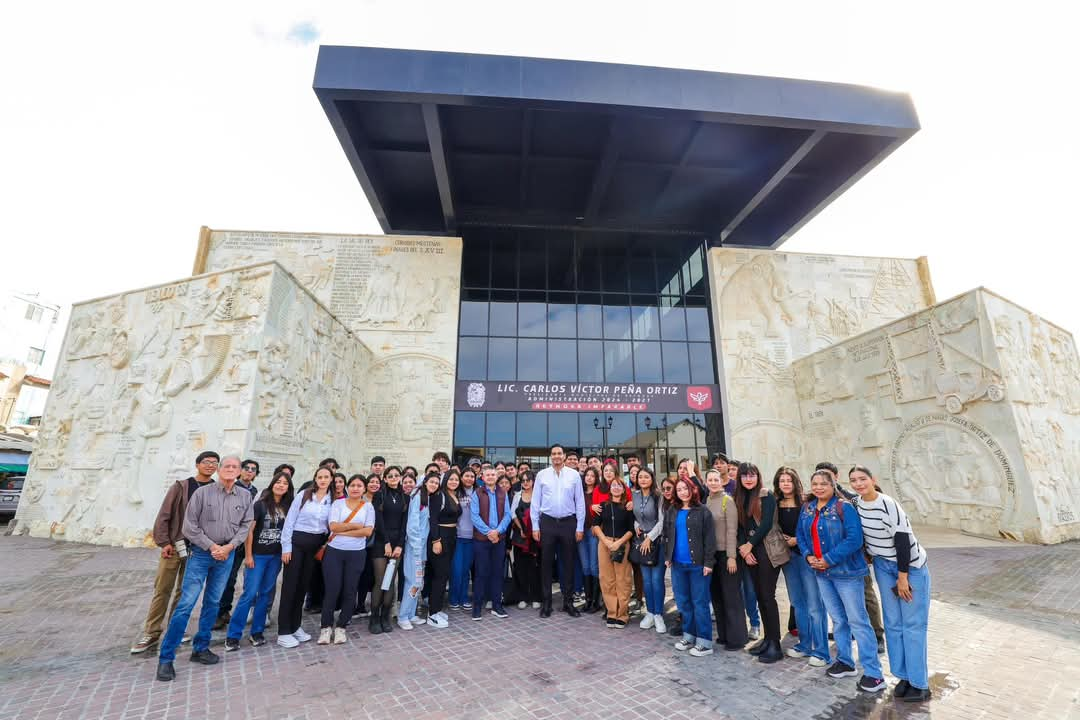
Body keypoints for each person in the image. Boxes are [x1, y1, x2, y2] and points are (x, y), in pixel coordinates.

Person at [156, 456, 254, 682]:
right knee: (186, 604)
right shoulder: (202, 493)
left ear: (239, 471)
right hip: (201, 554)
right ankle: (166, 659)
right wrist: (212, 547)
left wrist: (228, 547)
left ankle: (200, 648)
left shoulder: (245, 496)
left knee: (213, 603)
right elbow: (189, 527)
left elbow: (245, 525)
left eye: (234, 467)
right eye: (226, 466)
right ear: (219, 470)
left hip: (226, 556)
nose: (230, 469)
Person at [797, 470, 885, 693]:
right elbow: (801, 535)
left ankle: (874, 673)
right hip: (821, 574)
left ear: (833, 484)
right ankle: (845, 661)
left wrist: (828, 559)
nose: (818, 488)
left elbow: (855, 539)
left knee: (858, 621)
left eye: (823, 484)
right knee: (837, 620)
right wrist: (808, 556)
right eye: (814, 484)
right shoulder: (807, 508)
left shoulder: (844, 507)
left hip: (847, 573)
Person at [849, 466, 932, 702]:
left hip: (910, 568)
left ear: (873, 479)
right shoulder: (856, 504)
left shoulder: (888, 504)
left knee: (913, 625)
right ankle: (903, 676)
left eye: (863, 479)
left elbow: (903, 540)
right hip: (883, 567)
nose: (858, 484)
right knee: (894, 624)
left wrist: (903, 577)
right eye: (853, 480)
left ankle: (920, 683)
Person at [131, 451, 218, 654]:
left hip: (198, 549)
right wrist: (164, 542)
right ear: (197, 464)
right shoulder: (181, 486)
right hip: (175, 546)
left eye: (215, 463)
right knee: (162, 590)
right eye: (206, 462)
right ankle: (151, 633)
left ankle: (174, 629)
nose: (210, 465)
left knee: (184, 592)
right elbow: (165, 514)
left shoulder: (216, 489)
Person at [818, 461, 886, 652]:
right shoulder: (818, 500)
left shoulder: (851, 499)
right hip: (832, 560)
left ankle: (877, 635)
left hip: (856, 558)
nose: (823, 481)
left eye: (828, 476)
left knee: (866, 594)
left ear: (836, 477)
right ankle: (846, 630)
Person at [224, 470, 293, 650]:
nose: (281, 485)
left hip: (275, 556)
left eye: (285, 483)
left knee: (265, 594)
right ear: (273, 483)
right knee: (249, 593)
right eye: (278, 482)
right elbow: (250, 531)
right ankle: (233, 635)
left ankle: (257, 632)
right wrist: (248, 555)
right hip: (258, 556)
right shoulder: (260, 505)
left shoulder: (289, 506)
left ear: (288, 487)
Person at [774, 466, 829, 666]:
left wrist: (798, 540)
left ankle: (822, 650)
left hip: (807, 557)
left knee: (815, 604)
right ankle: (805, 644)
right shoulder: (775, 503)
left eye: (789, 480)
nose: (785, 484)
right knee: (797, 602)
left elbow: (817, 528)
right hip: (788, 559)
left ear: (795, 481)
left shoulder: (808, 502)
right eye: (782, 480)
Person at [735, 461, 787, 664]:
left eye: (752, 475)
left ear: (758, 476)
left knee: (767, 596)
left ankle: (776, 645)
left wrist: (749, 544)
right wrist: (744, 549)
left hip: (766, 551)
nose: (749, 479)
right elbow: (738, 526)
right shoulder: (738, 498)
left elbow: (766, 523)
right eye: (745, 475)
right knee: (759, 595)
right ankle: (767, 639)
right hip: (750, 553)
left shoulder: (766, 495)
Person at [276, 467, 333, 648]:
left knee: (302, 587)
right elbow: (290, 521)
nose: (323, 480)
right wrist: (286, 547)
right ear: (315, 478)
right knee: (290, 588)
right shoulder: (304, 496)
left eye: (326, 477)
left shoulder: (333, 500)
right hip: (297, 544)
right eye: (319, 477)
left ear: (331, 479)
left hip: (314, 547)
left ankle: (295, 626)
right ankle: (283, 631)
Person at [319, 475, 375, 644]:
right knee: (332, 590)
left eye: (359, 485)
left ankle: (342, 626)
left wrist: (344, 530)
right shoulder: (338, 504)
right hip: (334, 552)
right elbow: (333, 526)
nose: (355, 488)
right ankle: (325, 627)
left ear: (364, 489)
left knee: (350, 590)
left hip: (356, 553)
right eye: (352, 485)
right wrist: (356, 526)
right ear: (347, 487)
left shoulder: (368, 507)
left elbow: (367, 532)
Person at [531, 444, 586, 619]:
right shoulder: (542, 475)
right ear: (550, 456)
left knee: (568, 563)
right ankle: (546, 603)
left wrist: (579, 526)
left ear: (564, 456)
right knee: (546, 563)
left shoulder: (574, 475)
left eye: (559, 453)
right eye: (553, 453)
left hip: (568, 523)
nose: (556, 456)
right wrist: (535, 526)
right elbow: (535, 502)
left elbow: (580, 502)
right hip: (547, 522)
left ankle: (568, 602)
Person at [663, 477, 716, 657]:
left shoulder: (703, 511)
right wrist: (668, 557)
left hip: (698, 565)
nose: (682, 492)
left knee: (699, 603)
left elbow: (710, 539)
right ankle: (689, 635)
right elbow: (667, 535)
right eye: (679, 490)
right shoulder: (672, 510)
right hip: (678, 565)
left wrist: (709, 563)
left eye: (685, 488)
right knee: (683, 602)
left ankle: (705, 642)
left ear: (692, 490)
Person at [704, 468, 747, 651]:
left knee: (731, 597)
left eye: (716, 479)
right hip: (712, 556)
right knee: (717, 597)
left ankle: (737, 639)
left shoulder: (727, 501)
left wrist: (731, 557)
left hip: (726, 555)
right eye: (710, 480)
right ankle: (723, 635)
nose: (713, 482)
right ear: (706, 482)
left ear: (722, 482)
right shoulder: (706, 501)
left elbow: (732, 530)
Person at [398, 473, 439, 629]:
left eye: (437, 482)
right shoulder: (417, 497)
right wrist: (416, 545)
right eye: (432, 481)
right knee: (412, 580)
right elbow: (412, 524)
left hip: (421, 548)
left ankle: (411, 614)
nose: (434, 484)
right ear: (425, 482)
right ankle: (403, 616)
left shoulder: (427, 498)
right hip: (414, 546)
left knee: (418, 580)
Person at [471, 467, 512, 620]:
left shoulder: (503, 492)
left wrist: (498, 531)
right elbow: (474, 516)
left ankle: (497, 605)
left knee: (497, 573)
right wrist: (489, 532)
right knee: (481, 573)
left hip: (499, 540)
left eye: (493, 474)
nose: (490, 477)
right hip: (482, 540)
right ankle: (477, 607)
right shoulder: (477, 493)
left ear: (497, 476)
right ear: (482, 476)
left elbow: (508, 515)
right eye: (487, 475)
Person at [594, 474, 635, 628]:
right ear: (610, 489)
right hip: (605, 544)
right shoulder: (603, 505)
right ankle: (612, 612)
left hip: (622, 544)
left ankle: (623, 614)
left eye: (619, 486)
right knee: (607, 579)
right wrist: (605, 541)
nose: (616, 488)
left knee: (623, 580)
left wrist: (618, 543)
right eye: (613, 485)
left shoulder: (628, 507)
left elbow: (631, 530)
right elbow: (596, 525)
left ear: (624, 489)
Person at [369, 468, 406, 634]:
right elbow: (379, 520)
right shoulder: (379, 495)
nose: (393, 478)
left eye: (396, 476)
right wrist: (386, 542)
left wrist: (399, 545)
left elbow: (405, 523)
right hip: (381, 542)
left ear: (400, 478)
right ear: (385, 478)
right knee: (380, 580)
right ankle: (374, 617)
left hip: (398, 542)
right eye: (390, 476)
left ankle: (385, 616)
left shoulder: (406, 497)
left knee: (390, 580)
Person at [631, 467, 666, 633]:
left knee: (657, 580)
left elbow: (662, 521)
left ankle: (659, 614)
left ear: (652, 478)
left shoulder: (659, 496)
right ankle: (650, 612)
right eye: (640, 477)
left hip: (656, 541)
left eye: (646, 477)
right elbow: (635, 517)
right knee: (647, 581)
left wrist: (649, 538)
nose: (643, 480)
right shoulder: (635, 495)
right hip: (641, 542)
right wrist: (637, 525)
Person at [426, 471, 462, 628]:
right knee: (439, 575)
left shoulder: (455, 495)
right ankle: (432, 614)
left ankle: (437, 608)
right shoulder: (439, 495)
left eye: (456, 479)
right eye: (451, 479)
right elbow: (433, 519)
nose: (454, 481)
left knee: (444, 574)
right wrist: (436, 540)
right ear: (445, 480)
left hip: (452, 537)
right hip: (440, 537)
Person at [510, 471, 542, 609]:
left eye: (528, 480)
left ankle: (536, 597)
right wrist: (521, 529)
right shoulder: (517, 496)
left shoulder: (539, 495)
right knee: (521, 567)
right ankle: (522, 597)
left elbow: (543, 513)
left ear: (533, 481)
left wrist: (534, 529)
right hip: (520, 536)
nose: (525, 483)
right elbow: (513, 514)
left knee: (535, 567)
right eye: (523, 480)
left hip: (535, 536)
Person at [449, 468, 477, 610]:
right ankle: (453, 598)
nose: (469, 478)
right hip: (458, 536)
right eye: (466, 476)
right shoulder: (455, 492)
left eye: (472, 476)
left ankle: (464, 597)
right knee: (457, 570)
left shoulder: (478, 492)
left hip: (472, 537)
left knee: (466, 570)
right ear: (461, 477)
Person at [579, 466, 604, 613]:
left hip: (593, 531)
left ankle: (596, 601)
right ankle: (587, 600)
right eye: (587, 475)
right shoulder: (580, 492)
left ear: (596, 478)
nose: (589, 478)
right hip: (581, 531)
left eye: (592, 476)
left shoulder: (598, 492)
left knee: (594, 566)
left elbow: (602, 510)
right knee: (585, 566)